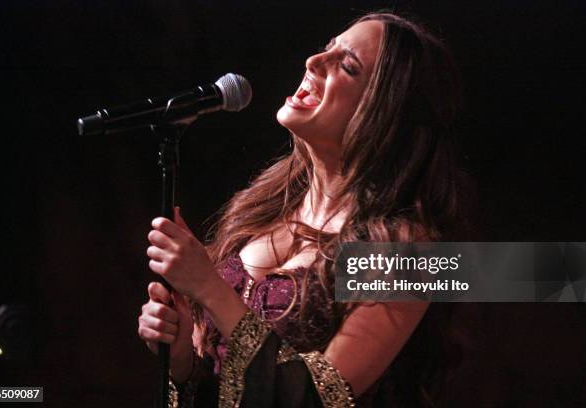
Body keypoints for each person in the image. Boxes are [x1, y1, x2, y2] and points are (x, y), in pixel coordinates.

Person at [138, 11, 468, 408]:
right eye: (326, 49)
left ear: (385, 114)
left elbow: (318, 401)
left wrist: (208, 287)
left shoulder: (410, 250)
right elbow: (231, 387)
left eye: (346, 65)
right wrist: (183, 365)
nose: (313, 62)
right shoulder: (261, 208)